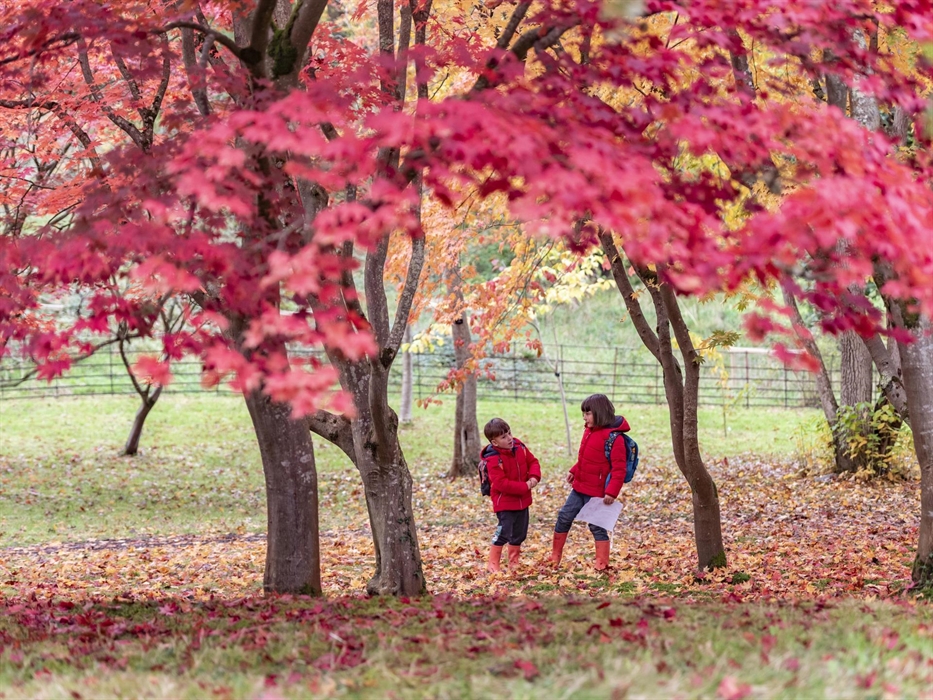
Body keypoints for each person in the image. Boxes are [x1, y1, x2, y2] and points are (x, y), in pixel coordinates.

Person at [550, 394, 630, 571]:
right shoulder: (588, 430)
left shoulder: (614, 439)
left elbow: (619, 469)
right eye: (583, 414)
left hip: (599, 493)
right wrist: (574, 470)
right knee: (564, 517)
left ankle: (602, 563)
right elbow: (587, 458)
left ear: (600, 413)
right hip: (580, 487)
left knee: (597, 527)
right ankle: (555, 556)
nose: (584, 418)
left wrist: (611, 492)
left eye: (588, 413)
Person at [481, 417, 541, 573]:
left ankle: (514, 562)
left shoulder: (520, 447)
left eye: (509, 433)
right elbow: (500, 484)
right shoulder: (493, 459)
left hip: (523, 501)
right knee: (504, 531)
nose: (509, 438)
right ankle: (493, 563)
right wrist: (524, 486)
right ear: (494, 442)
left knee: (520, 533)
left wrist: (534, 476)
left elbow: (533, 461)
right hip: (505, 503)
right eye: (503, 437)